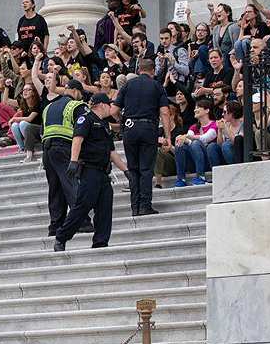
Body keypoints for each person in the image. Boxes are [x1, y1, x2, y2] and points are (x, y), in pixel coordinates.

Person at [53, 93, 129, 251]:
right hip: (89, 171)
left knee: (105, 208)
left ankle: (100, 242)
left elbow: (112, 152)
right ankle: (61, 236)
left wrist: (126, 171)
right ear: (102, 105)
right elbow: (77, 139)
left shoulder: (105, 125)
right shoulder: (85, 119)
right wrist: (73, 161)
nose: (111, 108)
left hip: (103, 173)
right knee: (83, 206)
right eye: (109, 104)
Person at [111, 59, 172, 216]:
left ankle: (134, 206)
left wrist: (123, 121)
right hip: (148, 127)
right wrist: (167, 136)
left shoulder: (128, 85)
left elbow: (113, 111)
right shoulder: (157, 86)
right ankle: (145, 205)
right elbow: (165, 112)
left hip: (130, 129)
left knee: (133, 168)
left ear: (138, 70)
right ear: (152, 71)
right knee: (146, 168)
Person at [41, 79, 92, 236]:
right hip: (63, 148)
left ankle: (56, 225)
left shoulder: (48, 107)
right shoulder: (77, 105)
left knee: (55, 188)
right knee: (71, 184)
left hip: (47, 151)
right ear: (76, 91)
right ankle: (81, 221)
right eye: (81, 94)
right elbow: (86, 127)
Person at [173, 98, 219, 187]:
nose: (195, 110)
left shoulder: (214, 124)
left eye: (198, 107)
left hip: (207, 161)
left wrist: (186, 136)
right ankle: (181, 179)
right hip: (194, 160)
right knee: (179, 145)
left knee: (196, 143)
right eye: (195, 108)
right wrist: (181, 138)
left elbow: (205, 138)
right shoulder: (193, 127)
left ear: (207, 110)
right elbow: (189, 142)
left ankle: (200, 176)